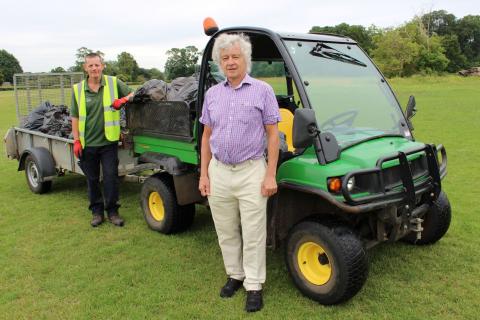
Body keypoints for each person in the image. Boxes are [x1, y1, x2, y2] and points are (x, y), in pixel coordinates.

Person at [198, 33, 280, 313]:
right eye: (225, 58)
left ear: (246, 59)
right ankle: (235, 274)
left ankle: (254, 285)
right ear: (219, 63)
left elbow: (272, 135)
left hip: (251, 172)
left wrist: (270, 175)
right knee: (225, 230)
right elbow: (206, 136)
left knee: (254, 232)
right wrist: (203, 175)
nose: (230, 62)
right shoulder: (212, 94)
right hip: (218, 171)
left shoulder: (262, 90)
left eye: (235, 56)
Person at [70, 52, 133, 227]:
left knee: (111, 178)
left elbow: (135, 93)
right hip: (87, 143)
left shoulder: (113, 83)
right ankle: (97, 213)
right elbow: (74, 117)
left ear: (102, 66)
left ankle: (113, 212)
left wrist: (123, 100)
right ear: (85, 68)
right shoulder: (78, 89)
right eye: (90, 66)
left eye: (97, 65)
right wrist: (76, 140)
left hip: (108, 142)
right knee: (92, 180)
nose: (94, 68)